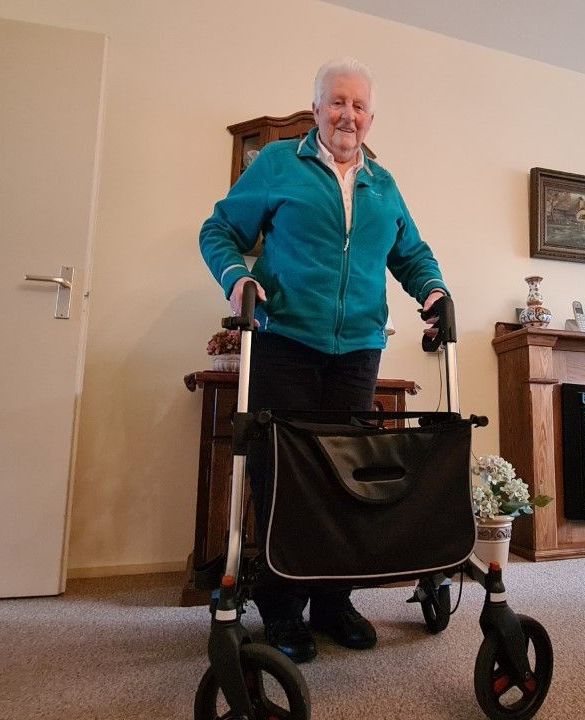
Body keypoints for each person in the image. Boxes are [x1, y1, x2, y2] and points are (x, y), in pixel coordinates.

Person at [199, 57, 449, 663]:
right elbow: (219, 230)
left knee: (346, 480)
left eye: (359, 105)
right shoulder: (279, 163)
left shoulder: (382, 183)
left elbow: (411, 253)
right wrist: (237, 280)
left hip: (357, 350)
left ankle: (334, 603)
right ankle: (283, 611)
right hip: (283, 340)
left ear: (370, 117)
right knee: (282, 477)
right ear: (315, 109)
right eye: (337, 102)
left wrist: (435, 291)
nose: (348, 115)